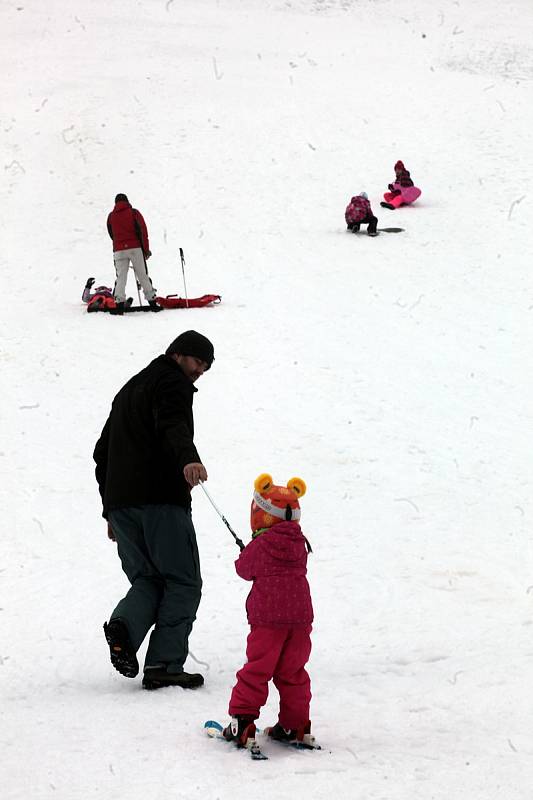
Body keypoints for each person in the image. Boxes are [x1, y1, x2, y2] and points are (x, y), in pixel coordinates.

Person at [94, 330, 215, 690]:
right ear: (178, 354)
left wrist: (110, 510)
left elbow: (102, 453)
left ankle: (125, 629)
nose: (200, 372)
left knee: (149, 578)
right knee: (182, 581)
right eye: (198, 362)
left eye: (206, 368)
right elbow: (172, 424)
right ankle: (163, 664)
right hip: (161, 501)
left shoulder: (129, 390)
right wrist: (188, 459)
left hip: (123, 507)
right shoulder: (171, 383)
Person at [222, 473, 316, 750]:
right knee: (293, 672)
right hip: (300, 621)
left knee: (258, 669)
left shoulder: (262, 545)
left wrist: (249, 548)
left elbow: (244, 569)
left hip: (267, 621)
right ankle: (295, 724)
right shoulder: (300, 543)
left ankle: (243, 720)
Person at [107, 193, 163, 315]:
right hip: (135, 248)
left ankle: (119, 304)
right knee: (142, 275)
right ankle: (152, 301)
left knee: (121, 277)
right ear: (127, 201)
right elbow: (143, 231)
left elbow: (111, 233)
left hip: (119, 250)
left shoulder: (111, 216)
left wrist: (119, 244)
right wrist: (146, 250)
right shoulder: (134, 213)